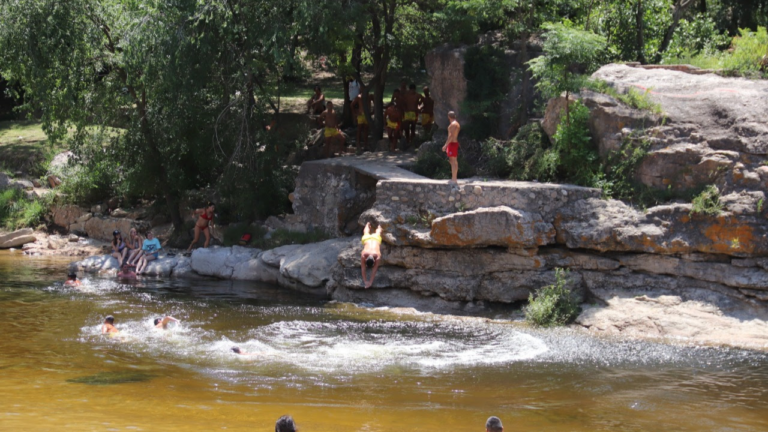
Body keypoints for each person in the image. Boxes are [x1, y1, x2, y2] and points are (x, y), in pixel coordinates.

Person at [360, 222, 382, 288]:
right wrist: (370, 282)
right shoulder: (376, 256)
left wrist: (365, 281)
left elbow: (363, 268)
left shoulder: (364, 255)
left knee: (367, 233)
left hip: (374, 240)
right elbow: (374, 270)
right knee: (374, 233)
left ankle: (368, 224)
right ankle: (379, 225)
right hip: (372, 239)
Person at [441, 111, 461, 184]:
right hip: (454, 143)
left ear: (449, 116)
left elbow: (451, 136)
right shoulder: (457, 124)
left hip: (452, 143)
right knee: (453, 161)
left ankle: (454, 179)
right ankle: (454, 178)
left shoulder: (453, 124)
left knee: (453, 161)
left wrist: (445, 145)